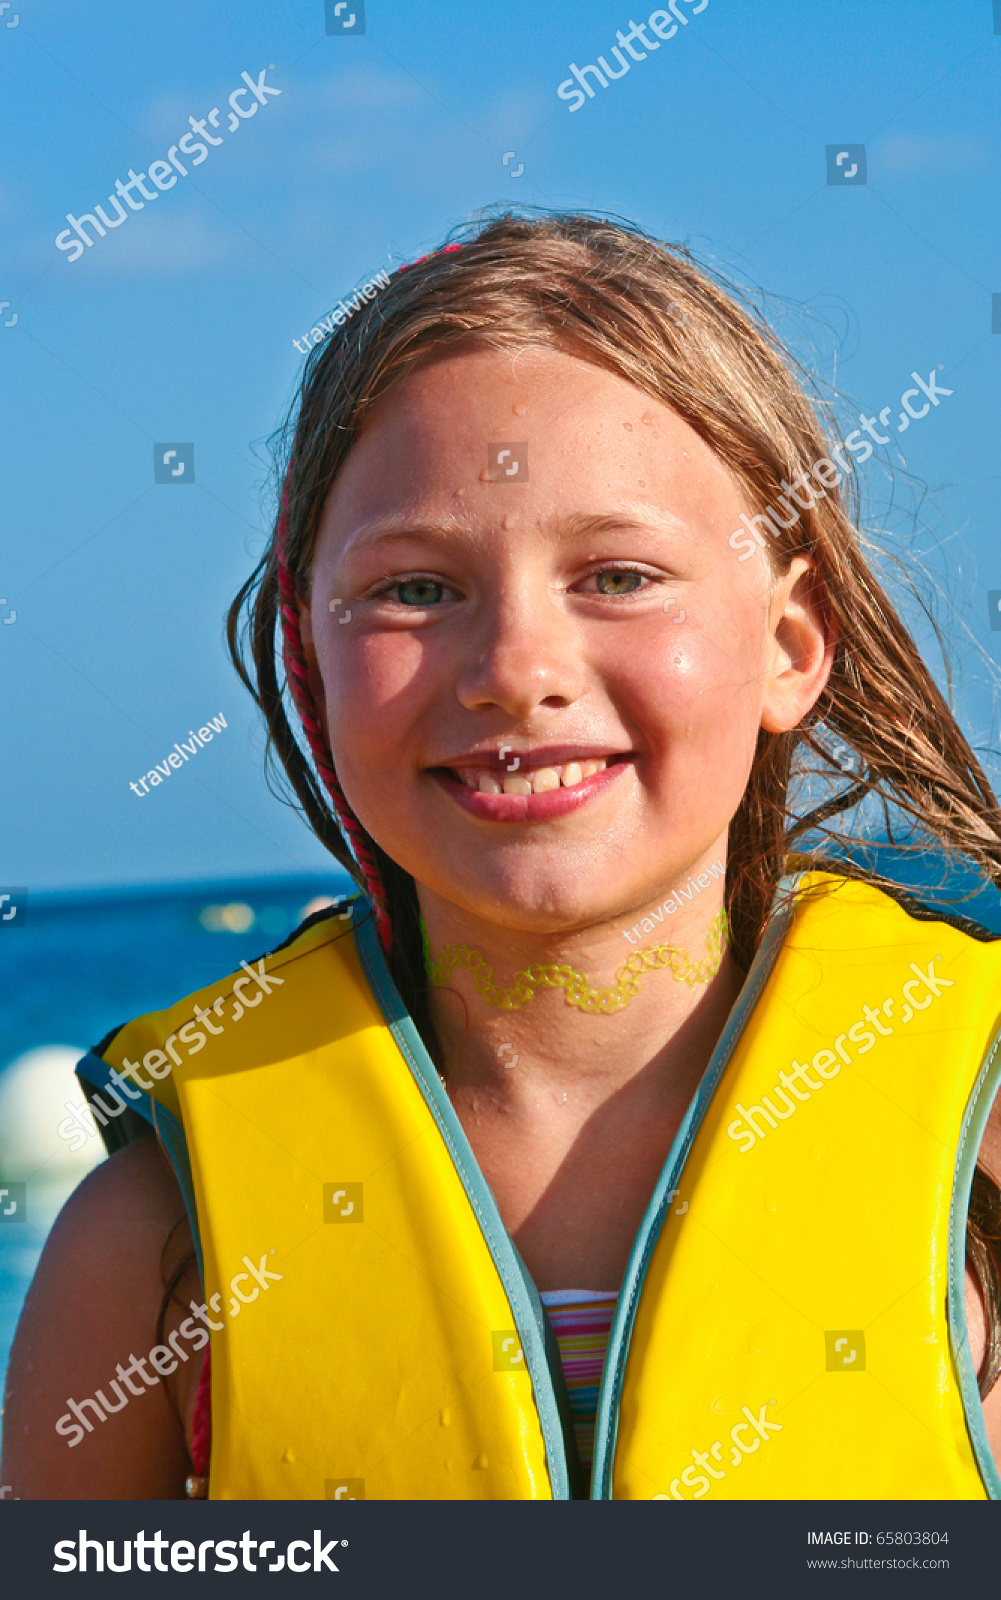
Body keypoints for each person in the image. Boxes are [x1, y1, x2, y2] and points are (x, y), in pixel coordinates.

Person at [4, 212, 1001, 1501]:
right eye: (416, 590)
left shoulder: (982, 1147)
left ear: (789, 645)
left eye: (620, 575)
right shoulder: (152, 1244)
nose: (518, 672)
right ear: (307, 649)